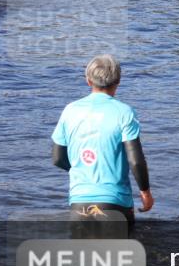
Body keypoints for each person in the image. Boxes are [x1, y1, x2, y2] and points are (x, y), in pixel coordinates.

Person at [51, 55, 154, 227]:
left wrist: (81, 169)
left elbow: (57, 158)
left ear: (88, 81)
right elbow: (136, 160)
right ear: (118, 81)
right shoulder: (124, 112)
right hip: (115, 201)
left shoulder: (70, 110)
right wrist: (145, 193)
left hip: (79, 202)